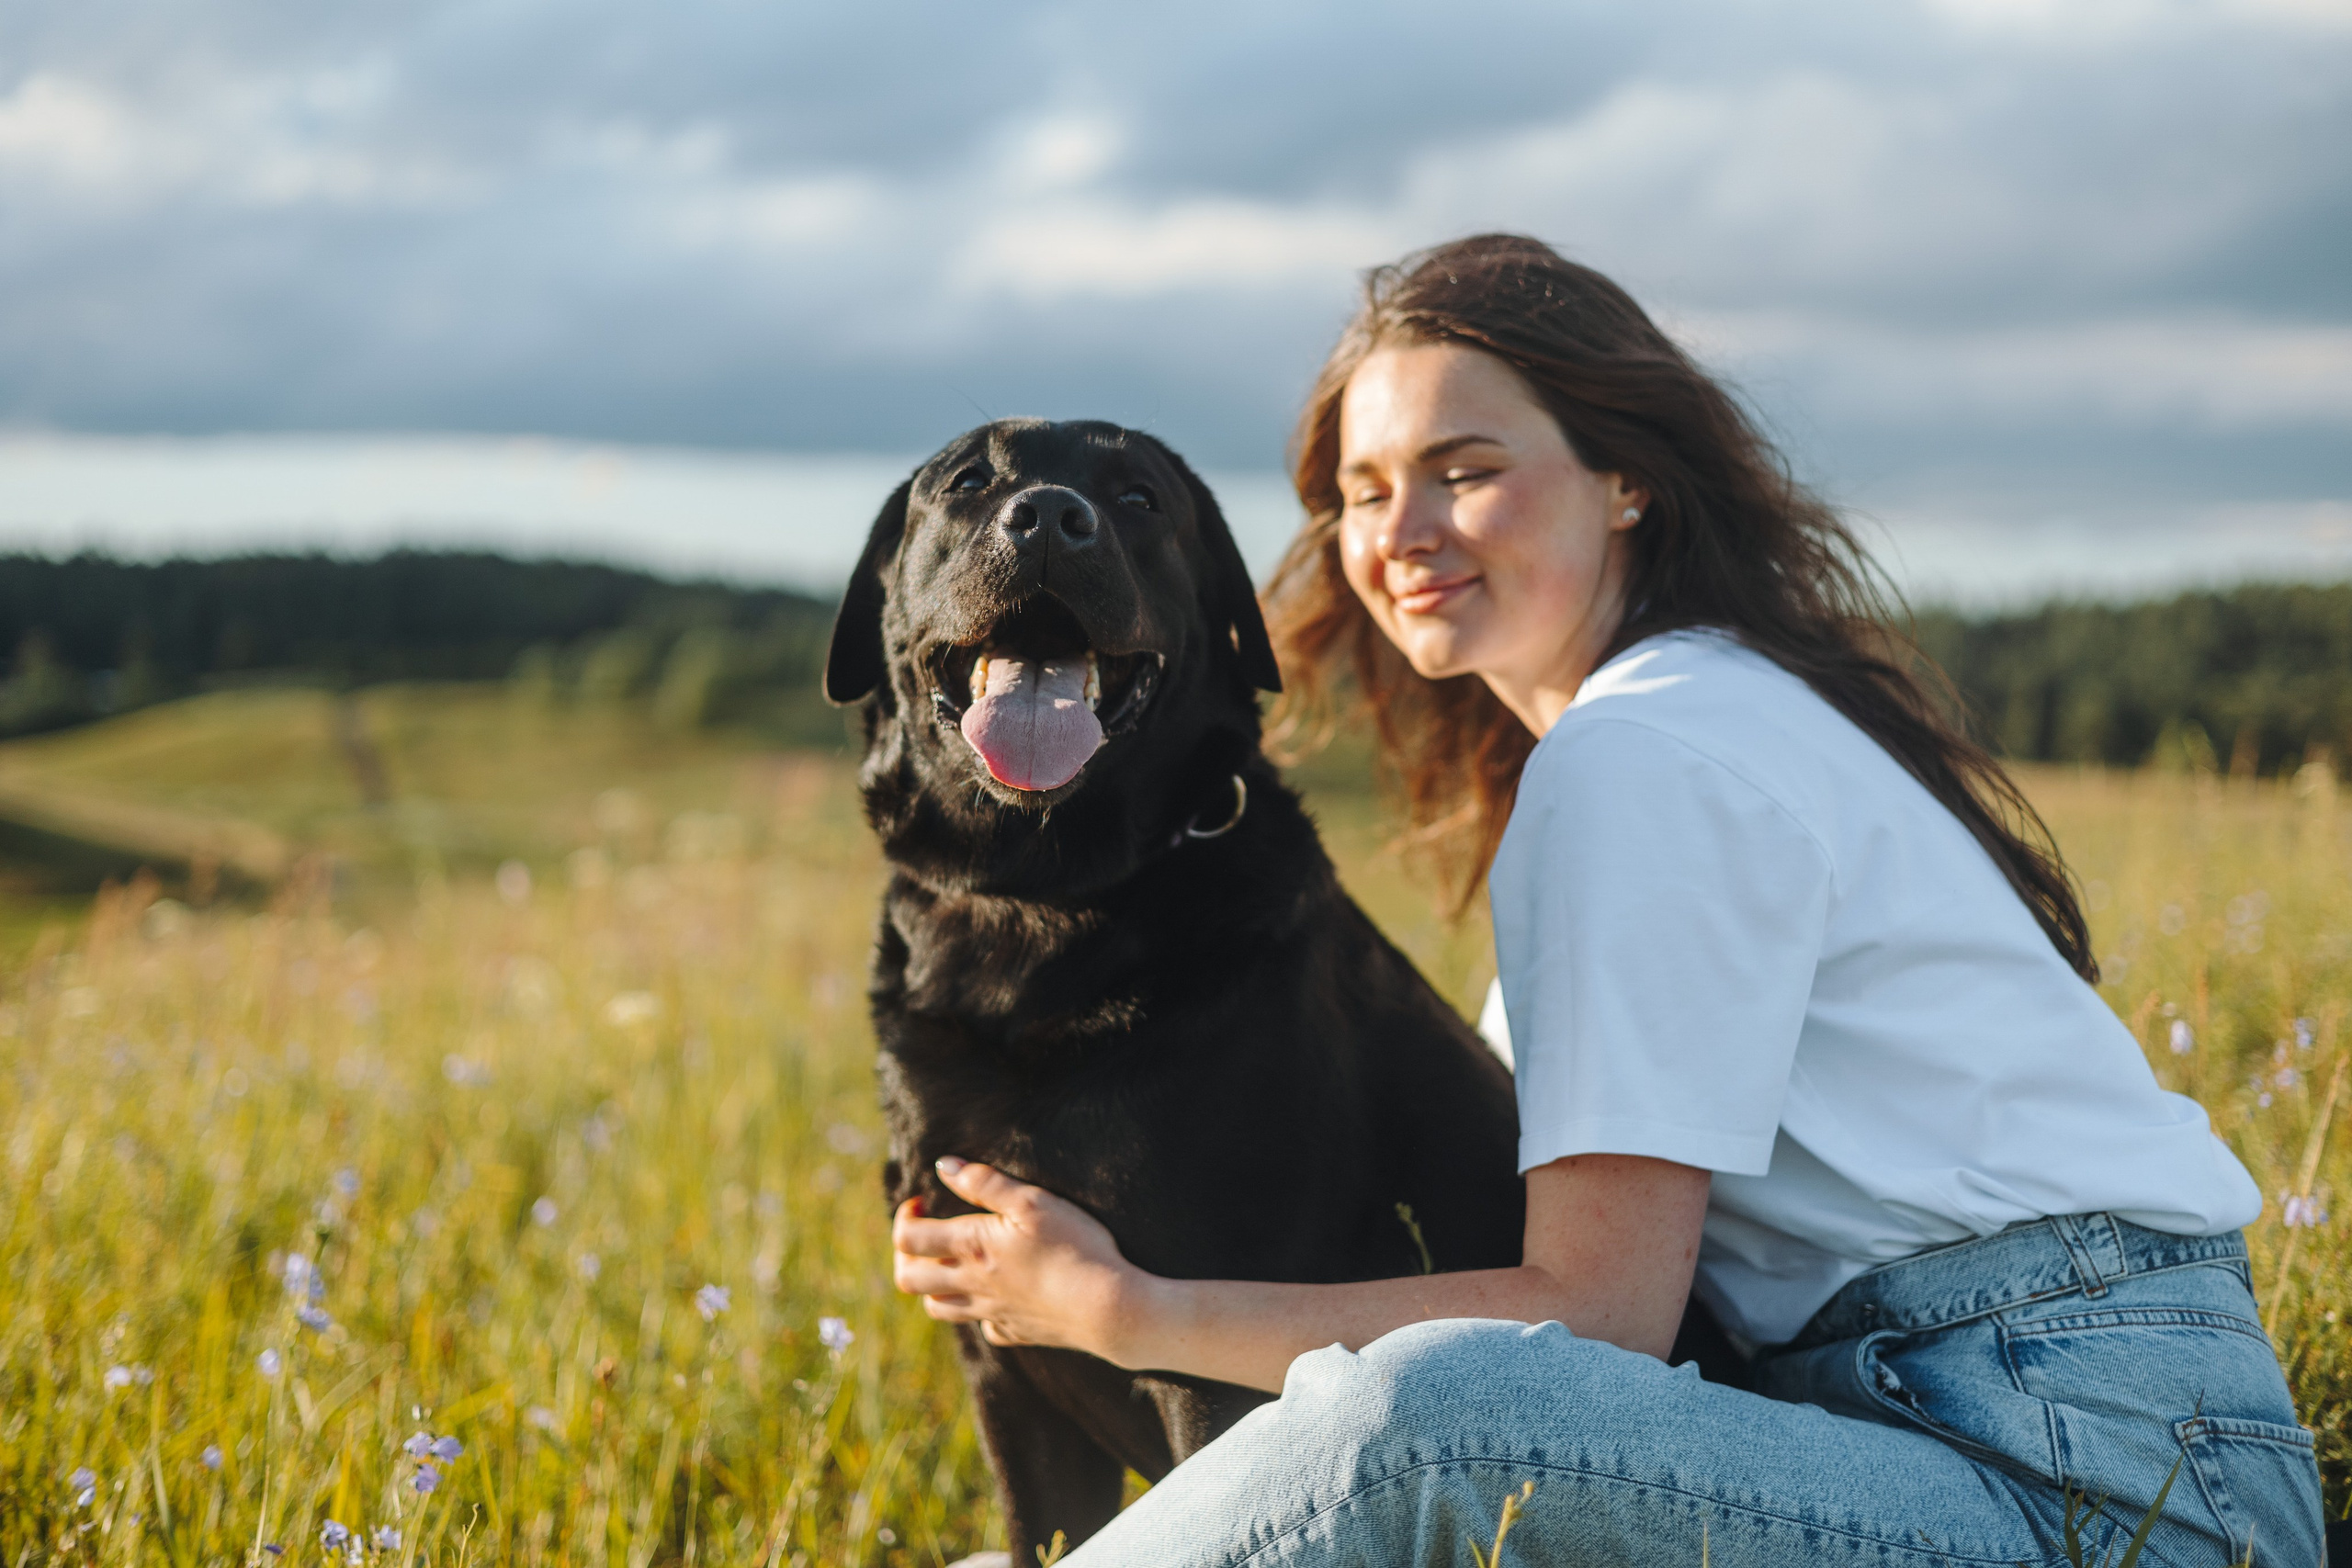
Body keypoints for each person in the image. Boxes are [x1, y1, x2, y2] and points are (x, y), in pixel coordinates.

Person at [889, 234, 2324, 1566]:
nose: (1405, 532)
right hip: (1998, 1428)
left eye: (1465, 468)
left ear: (1624, 476)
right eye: (1366, 491)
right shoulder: (1695, 716)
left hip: (2088, 1473)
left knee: (1424, 1428)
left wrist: (1121, 1312)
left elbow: (1595, 1322)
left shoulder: (1649, 746)